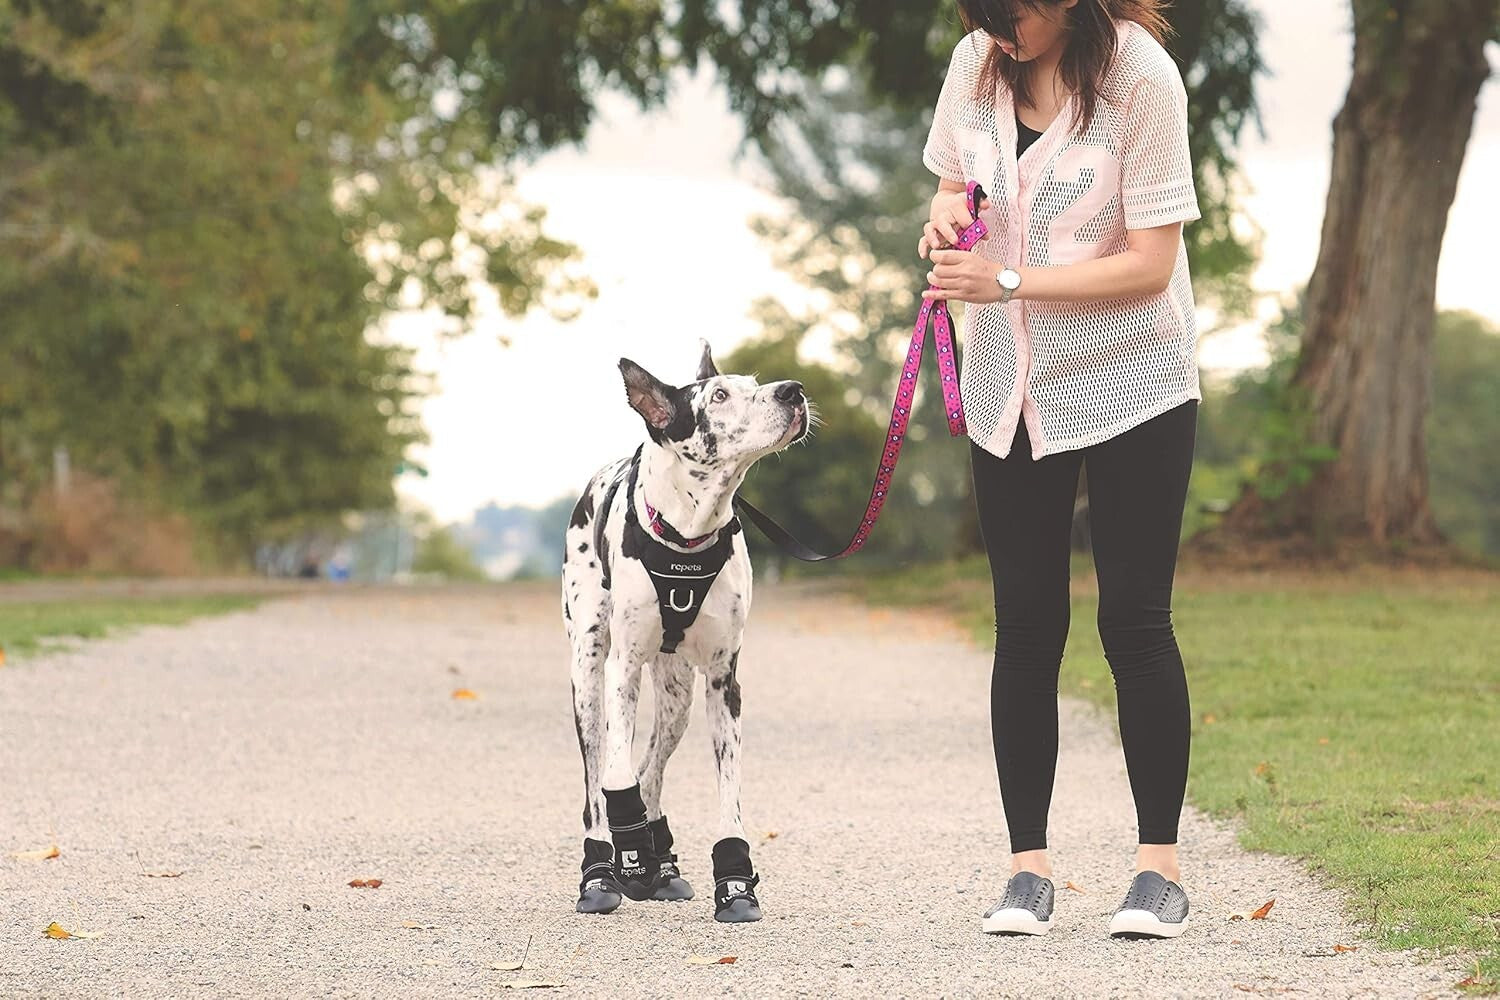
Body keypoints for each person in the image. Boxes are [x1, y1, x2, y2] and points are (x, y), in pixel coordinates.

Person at [919, 0, 1201, 940]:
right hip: (1011, 380)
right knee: (1028, 624)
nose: (1004, 31)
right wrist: (948, 217)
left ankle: (1157, 870)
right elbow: (952, 185)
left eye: (1018, 12)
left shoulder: (1141, 79)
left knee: (1134, 619)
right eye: (985, 12)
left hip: (1135, 376)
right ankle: (1025, 870)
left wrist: (1003, 280)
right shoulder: (975, 61)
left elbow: (1152, 265)